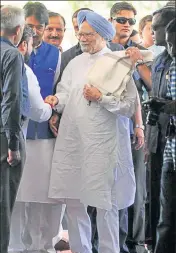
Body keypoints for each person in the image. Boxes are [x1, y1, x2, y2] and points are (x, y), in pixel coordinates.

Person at [45, 10, 138, 253]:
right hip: (74, 141)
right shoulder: (75, 63)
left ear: (103, 35)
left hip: (104, 145)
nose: (82, 38)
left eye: (87, 34)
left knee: (105, 203)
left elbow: (129, 106)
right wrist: (57, 100)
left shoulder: (119, 63)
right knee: (74, 201)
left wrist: (102, 98)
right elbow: (66, 92)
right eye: (80, 34)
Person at [14, 2, 64, 252]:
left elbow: (57, 91)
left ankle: (43, 244)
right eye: (29, 26)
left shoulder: (56, 54)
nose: (33, 32)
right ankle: (18, 244)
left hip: (44, 134)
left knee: (43, 193)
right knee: (18, 194)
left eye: (39, 27)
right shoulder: (12, 51)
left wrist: (54, 110)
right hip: (18, 133)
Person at [126, 5, 175, 251]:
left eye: (157, 28)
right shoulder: (162, 58)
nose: (153, 33)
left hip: (171, 135)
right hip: (158, 138)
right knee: (157, 201)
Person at [8, 25, 54, 252]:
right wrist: (50, 107)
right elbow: (37, 111)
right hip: (10, 143)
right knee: (12, 199)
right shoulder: (23, 70)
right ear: (23, 44)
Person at [110, 3, 147, 253]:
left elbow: (145, 89)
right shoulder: (102, 50)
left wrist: (139, 125)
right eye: (121, 20)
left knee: (133, 186)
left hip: (132, 127)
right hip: (104, 127)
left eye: (131, 21)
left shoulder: (140, 52)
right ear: (110, 20)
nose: (126, 25)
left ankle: (133, 243)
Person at [0, 5, 26, 253]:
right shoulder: (11, 54)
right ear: (18, 30)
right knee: (2, 206)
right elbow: (12, 100)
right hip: (2, 137)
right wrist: (13, 145)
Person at [154, 18, 176, 253]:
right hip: (171, 148)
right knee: (166, 217)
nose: (172, 49)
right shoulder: (169, 67)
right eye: (169, 44)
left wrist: (164, 106)